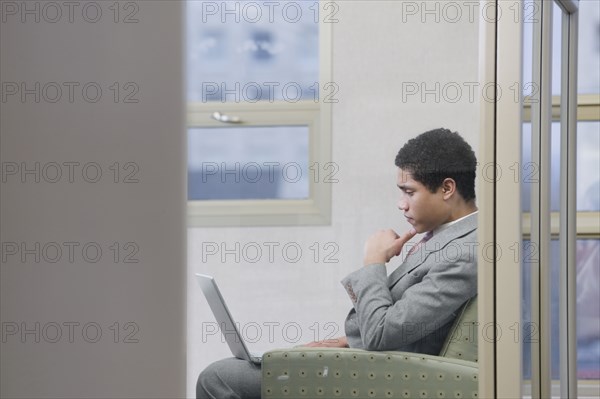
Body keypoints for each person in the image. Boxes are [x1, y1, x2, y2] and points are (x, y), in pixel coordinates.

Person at [197, 128, 478, 399]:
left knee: (218, 378)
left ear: (447, 188)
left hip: (385, 376)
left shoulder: (464, 252)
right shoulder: (446, 239)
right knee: (239, 370)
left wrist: (373, 263)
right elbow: (403, 323)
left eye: (409, 192)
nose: (401, 204)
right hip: (372, 359)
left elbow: (383, 332)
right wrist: (347, 341)